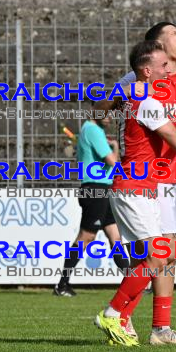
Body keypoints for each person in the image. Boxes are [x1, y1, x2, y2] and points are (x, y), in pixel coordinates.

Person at [94, 22, 176, 344]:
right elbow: (99, 108)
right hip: (149, 181)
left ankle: (158, 328)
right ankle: (121, 316)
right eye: (174, 33)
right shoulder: (139, 81)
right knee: (158, 254)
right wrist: (121, 96)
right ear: (156, 46)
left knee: (168, 255)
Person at [53, 114, 130, 297]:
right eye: (108, 113)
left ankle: (133, 282)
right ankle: (62, 285)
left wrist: (114, 148)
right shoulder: (93, 130)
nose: (110, 118)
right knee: (86, 238)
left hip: (104, 188)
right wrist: (116, 150)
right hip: (95, 190)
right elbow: (112, 162)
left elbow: (111, 164)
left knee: (115, 237)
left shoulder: (93, 131)